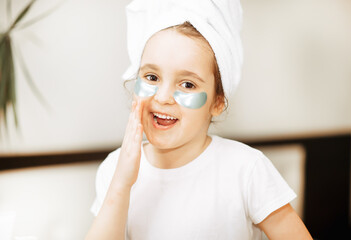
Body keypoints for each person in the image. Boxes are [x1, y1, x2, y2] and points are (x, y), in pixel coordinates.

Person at [86, 0, 313, 239]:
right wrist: (121, 184)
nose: (162, 97)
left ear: (217, 103)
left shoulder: (246, 170)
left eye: (187, 84)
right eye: (151, 77)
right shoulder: (114, 168)